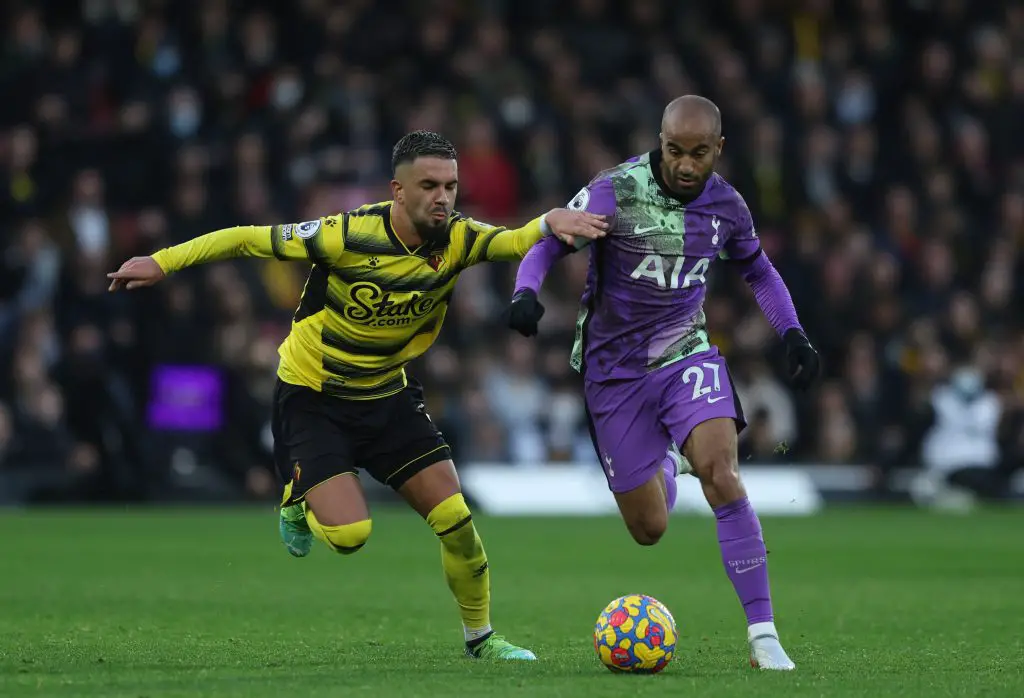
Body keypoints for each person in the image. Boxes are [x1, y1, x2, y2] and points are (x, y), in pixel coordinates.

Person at [108, 130, 608, 660]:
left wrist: (550, 220)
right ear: (397, 189)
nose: (443, 198)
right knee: (350, 536)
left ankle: (481, 640)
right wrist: (162, 262)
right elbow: (245, 238)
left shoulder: (457, 239)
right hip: (313, 396)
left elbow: (514, 239)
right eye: (429, 186)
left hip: (388, 396)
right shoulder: (343, 234)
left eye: (452, 187)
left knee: (457, 524)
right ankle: (295, 494)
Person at [505, 97, 820, 670]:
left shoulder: (728, 206)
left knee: (722, 473)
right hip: (613, 375)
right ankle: (668, 461)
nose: (683, 164)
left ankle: (764, 635)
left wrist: (792, 332)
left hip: (684, 354)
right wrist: (526, 293)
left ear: (717, 150)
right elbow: (550, 240)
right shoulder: (615, 191)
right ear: (661, 140)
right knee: (649, 529)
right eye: (674, 150)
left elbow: (759, 269)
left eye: (698, 153)